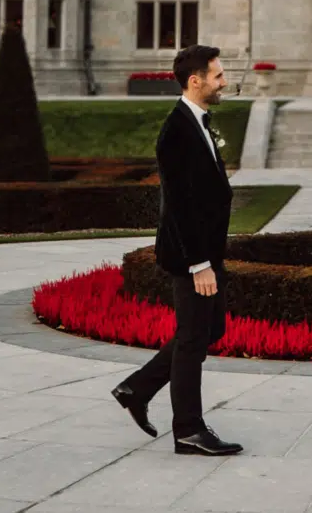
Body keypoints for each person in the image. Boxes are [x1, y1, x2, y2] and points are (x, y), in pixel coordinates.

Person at [111, 44, 242, 456]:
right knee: (191, 339)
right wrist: (199, 264)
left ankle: (137, 388)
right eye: (218, 76)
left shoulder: (198, 121)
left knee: (210, 330)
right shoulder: (176, 131)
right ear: (195, 80)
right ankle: (188, 428)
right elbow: (179, 205)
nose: (224, 82)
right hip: (191, 255)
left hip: (206, 251)